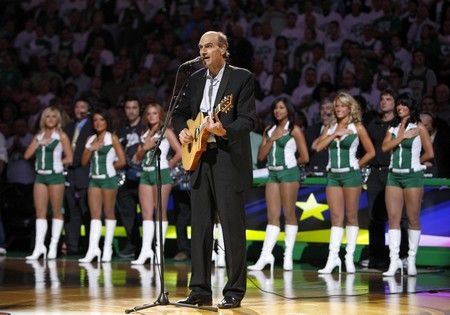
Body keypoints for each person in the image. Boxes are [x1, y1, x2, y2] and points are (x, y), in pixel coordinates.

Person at [173, 31, 256, 309]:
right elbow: (178, 113)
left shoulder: (241, 78)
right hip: (198, 158)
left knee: (232, 226)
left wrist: (224, 130)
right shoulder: (194, 79)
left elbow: (246, 121)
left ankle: (234, 290)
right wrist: (184, 132)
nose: (203, 51)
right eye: (200, 47)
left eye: (208, 46)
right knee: (200, 225)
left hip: (226, 159)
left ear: (223, 49)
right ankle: (199, 290)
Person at [315, 91, 375, 274]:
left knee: (351, 216)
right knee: (335, 218)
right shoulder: (331, 126)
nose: (339, 108)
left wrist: (357, 164)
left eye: (342, 105)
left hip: (351, 175)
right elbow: (318, 147)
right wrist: (335, 134)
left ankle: (349, 257)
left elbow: (371, 152)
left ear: (350, 107)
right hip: (333, 175)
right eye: (337, 105)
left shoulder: (358, 127)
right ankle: (333, 258)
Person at [248, 96, 309, 272]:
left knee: (289, 213)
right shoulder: (269, 129)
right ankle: (266, 255)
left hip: (289, 173)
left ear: (288, 110)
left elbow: (305, 157)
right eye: (275, 108)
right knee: (272, 216)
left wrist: (291, 165)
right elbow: (261, 156)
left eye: (281, 108)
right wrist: (273, 138)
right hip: (272, 173)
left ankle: (287, 255)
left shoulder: (294, 130)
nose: (278, 111)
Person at [381, 94, 434, 276]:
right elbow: (385, 148)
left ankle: (411, 260)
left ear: (411, 107)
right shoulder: (393, 127)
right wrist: (403, 137)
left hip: (413, 177)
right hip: (393, 176)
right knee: (393, 219)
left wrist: (416, 162)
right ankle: (394, 261)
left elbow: (429, 153)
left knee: (413, 218)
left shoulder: (419, 127)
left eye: (405, 104)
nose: (400, 107)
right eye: (399, 104)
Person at [131, 103, 181, 265]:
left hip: (161, 173)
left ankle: (159, 251)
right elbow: (136, 158)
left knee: (160, 212)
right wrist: (145, 147)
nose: (152, 116)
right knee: (146, 213)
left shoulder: (166, 132)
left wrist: (170, 164)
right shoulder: (144, 133)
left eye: (155, 113)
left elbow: (180, 152)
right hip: (145, 173)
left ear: (160, 115)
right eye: (149, 113)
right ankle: (146, 251)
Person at [365, 89, 409, 269]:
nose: (384, 102)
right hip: (375, 173)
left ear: (395, 102)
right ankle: (377, 256)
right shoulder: (373, 123)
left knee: (399, 216)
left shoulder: (400, 124)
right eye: (382, 99)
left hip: (394, 171)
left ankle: (403, 255)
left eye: (389, 99)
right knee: (375, 216)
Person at [24, 106, 73, 260]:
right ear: (43, 119)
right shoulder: (38, 136)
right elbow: (27, 155)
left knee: (57, 212)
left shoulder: (62, 136)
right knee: (40, 213)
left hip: (55, 177)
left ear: (58, 119)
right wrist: (39, 143)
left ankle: (53, 246)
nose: (50, 119)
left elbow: (69, 158)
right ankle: (39, 247)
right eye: (48, 116)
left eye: (54, 116)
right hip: (40, 177)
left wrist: (57, 164)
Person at [78, 109, 126, 263]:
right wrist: (90, 148)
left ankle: (107, 249)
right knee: (95, 215)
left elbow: (122, 161)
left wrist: (111, 167)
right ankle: (93, 249)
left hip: (108, 179)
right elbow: (83, 162)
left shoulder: (112, 138)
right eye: (95, 120)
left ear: (106, 122)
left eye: (101, 120)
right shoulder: (91, 139)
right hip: (94, 180)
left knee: (109, 213)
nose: (98, 123)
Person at [63, 99, 93, 255]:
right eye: (76, 106)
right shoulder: (68, 127)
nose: (79, 109)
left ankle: (89, 246)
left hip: (84, 171)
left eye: (83, 106)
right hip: (70, 173)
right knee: (71, 211)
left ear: (88, 110)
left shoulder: (92, 126)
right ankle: (72, 246)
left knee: (86, 209)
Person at [116, 96, 144, 258]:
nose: (131, 111)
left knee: (149, 214)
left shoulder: (147, 127)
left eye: (134, 107)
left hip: (144, 177)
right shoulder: (120, 130)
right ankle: (133, 245)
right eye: (128, 108)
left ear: (139, 109)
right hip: (125, 178)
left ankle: (150, 246)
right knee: (127, 214)